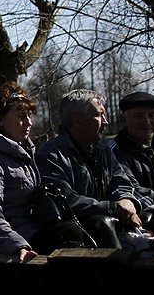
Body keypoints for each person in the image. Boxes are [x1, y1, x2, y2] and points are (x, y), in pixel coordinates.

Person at [0, 83, 89, 261]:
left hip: (25, 231)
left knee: (87, 225)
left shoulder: (22, 153)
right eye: (21, 116)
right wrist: (16, 245)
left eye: (29, 116)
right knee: (68, 233)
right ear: (0, 119)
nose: (29, 122)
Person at [35, 89, 142, 248]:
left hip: (111, 223)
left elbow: (120, 181)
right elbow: (65, 202)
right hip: (77, 237)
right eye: (99, 115)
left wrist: (126, 200)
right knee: (101, 224)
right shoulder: (50, 156)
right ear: (77, 121)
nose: (106, 122)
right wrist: (112, 208)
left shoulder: (103, 150)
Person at [108, 91, 154, 256]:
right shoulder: (113, 152)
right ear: (124, 120)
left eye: (152, 116)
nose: (147, 122)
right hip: (142, 225)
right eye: (139, 116)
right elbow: (129, 189)